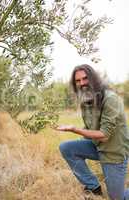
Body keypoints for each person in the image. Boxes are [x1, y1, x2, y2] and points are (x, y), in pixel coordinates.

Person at [55, 64, 129, 200]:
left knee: (117, 198)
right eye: (78, 81)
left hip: (114, 153)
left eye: (85, 78)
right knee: (67, 148)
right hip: (97, 146)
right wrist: (80, 142)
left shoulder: (110, 99)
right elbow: (90, 127)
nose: (82, 83)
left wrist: (74, 129)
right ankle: (93, 187)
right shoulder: (86, 99)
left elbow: (104, 135)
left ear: (93, 78)